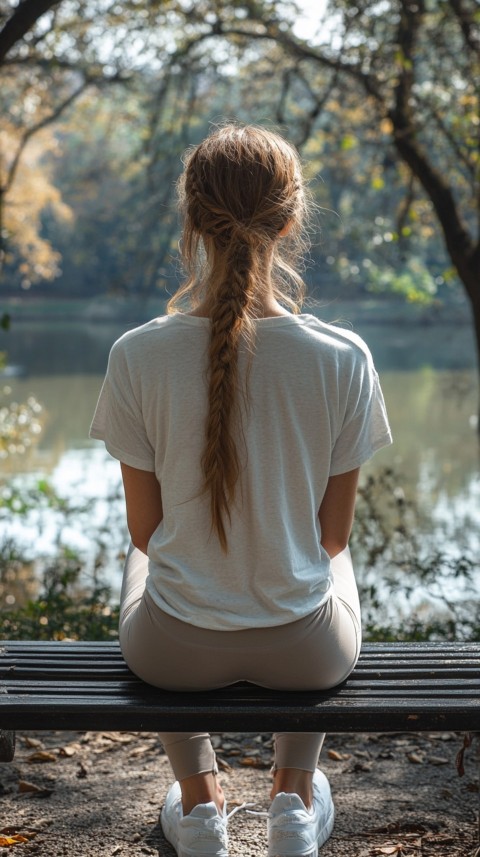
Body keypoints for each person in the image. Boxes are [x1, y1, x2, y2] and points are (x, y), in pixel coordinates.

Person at [90, 124, 392, 857]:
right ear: (290, 221)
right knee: (331, 563)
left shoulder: (136, 354)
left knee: (148, 558)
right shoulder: (343, 357)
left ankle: (199, 807)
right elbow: (332, 537)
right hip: (307, 653)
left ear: (192, 221)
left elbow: (144, 530)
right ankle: (292, 799)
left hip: (172, 652)